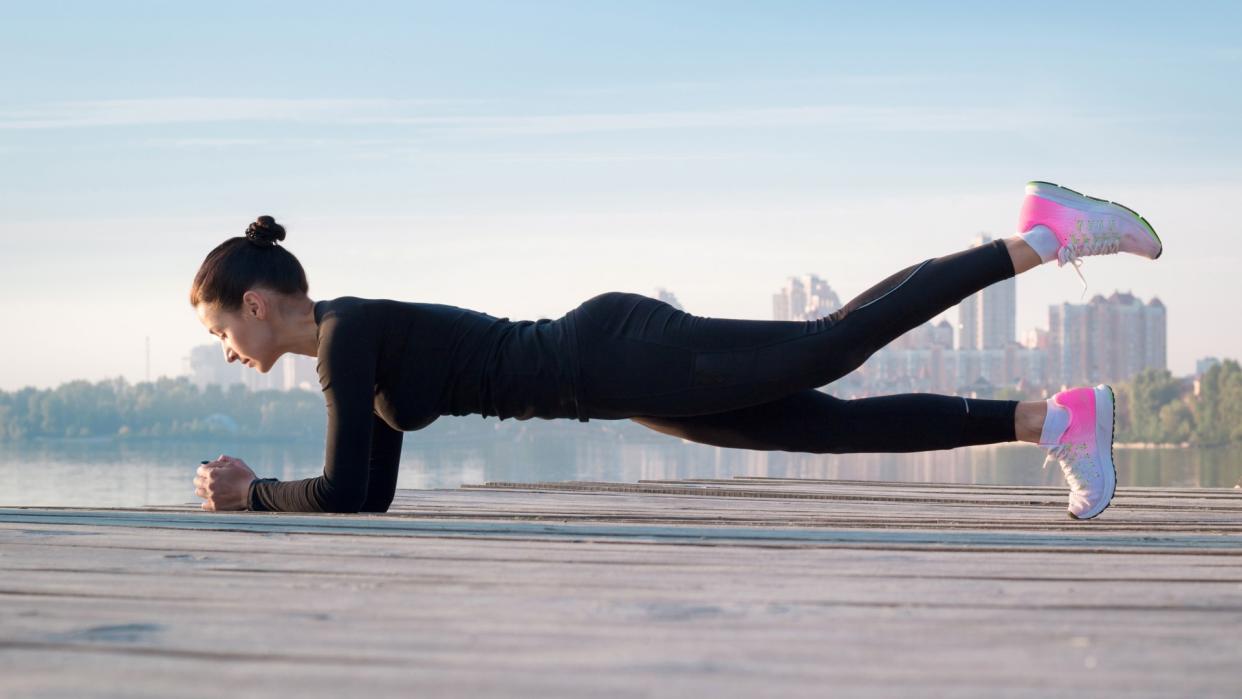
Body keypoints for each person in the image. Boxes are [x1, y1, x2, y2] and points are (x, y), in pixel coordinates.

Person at [191, 181, 1162, 519]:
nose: (227, 348)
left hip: (613, 354)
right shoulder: (354, 346)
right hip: (616, 383)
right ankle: (1053, 420)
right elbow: (365, 495)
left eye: (221, 327)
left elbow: (338, 495)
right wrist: (268, 495)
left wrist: (251, 495)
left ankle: (1042, 234)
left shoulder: (348, 338)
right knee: (825, 426)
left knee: (830, 346)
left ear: (262, 302)